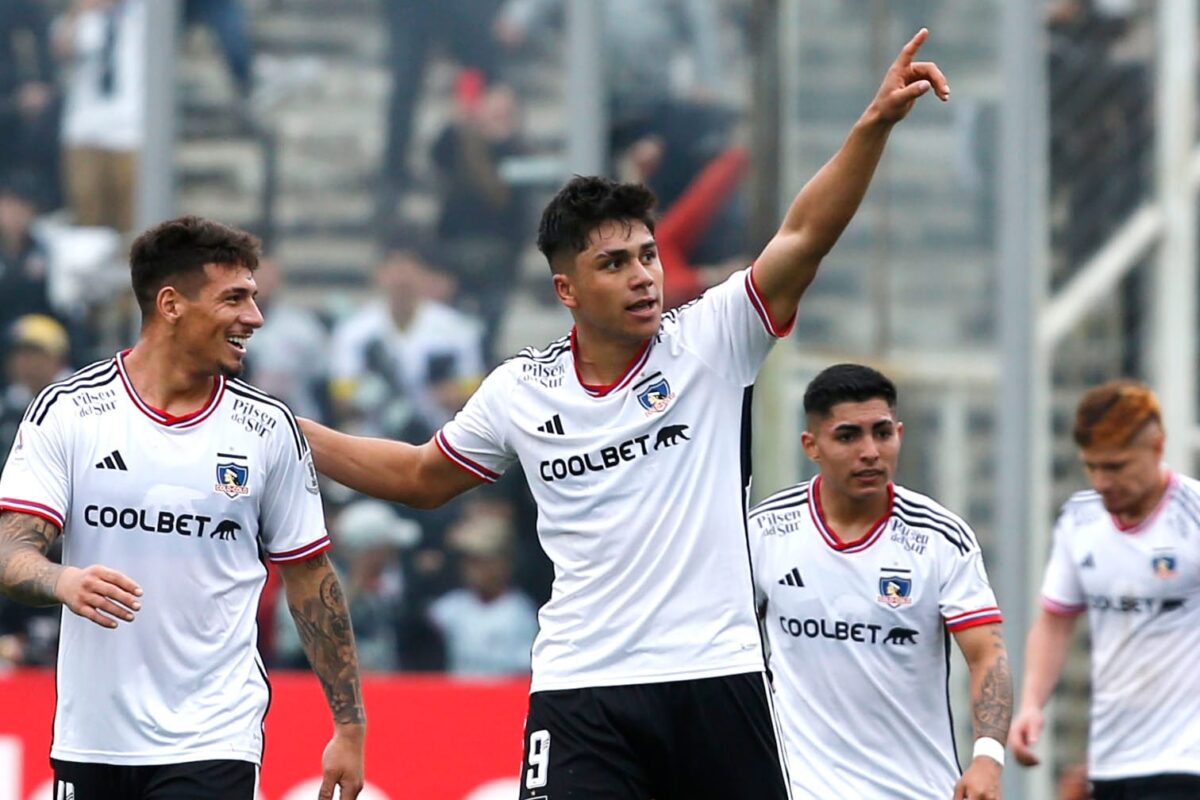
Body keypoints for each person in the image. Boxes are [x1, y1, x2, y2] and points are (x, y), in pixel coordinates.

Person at [302, 30, 949, 797]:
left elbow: (804, 236)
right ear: (567, 291)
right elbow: (419, 476)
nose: (644, 276)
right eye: (614, 263)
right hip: (584, 689)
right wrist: (291, 431)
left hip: (717, 677)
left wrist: (871, 126)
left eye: (646, 254)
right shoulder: (522, 390)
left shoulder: (710, 340)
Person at [0, 216, 365, 800]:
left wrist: (349, 725)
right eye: (234, 298)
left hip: (212, 736)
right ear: (171, 304)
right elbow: (10, 551)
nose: (255, 316)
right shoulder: (70, 410)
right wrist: (60, 578)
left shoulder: (266, 428)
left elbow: (311, 578)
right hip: (91, 737)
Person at [749, 363, 1011, 799]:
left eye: (882, 433)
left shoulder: (939, 539)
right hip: (802, 787)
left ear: (900, 434)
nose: (870, 451)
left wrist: (987, 757)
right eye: (848, 436)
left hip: (915, 789)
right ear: (811, 445)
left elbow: (987, 655)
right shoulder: (765, 531)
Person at [1009, 380, 1200, 799]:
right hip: (1112, 759)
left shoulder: (1194, 515)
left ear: (1157, 446)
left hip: (1187, 761)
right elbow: (1055, 622)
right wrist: (1031, 705)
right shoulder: (1080, 519)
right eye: (1092, 466)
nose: (1101, 481)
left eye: (1115, 466)